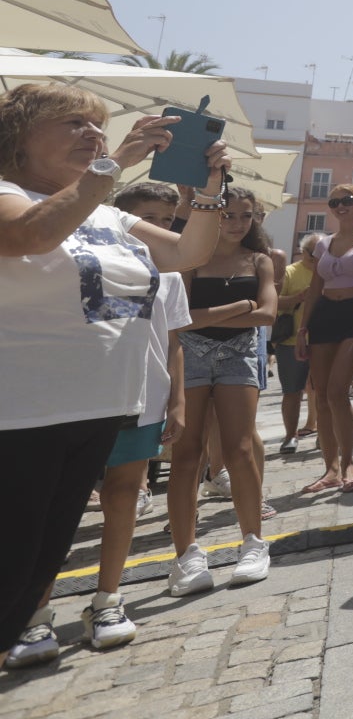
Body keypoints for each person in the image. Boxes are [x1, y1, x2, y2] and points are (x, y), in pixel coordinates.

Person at [0, 85, 229, 652]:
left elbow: (184, 254)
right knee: (11, 567)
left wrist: (207, 192)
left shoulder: (104, 211)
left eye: (96, 125)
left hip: (97, 409)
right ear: (18, 139)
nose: (92, 134)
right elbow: (29, 234)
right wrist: (114, 163)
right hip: (20, 414)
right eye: (72, 123)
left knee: (32, 573)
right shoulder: (7, 192)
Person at [4, 182, 190, 666]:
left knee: (123, 494)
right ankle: (34, 614)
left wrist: (176, 400)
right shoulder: (58, 235)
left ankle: (107, 600)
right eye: (151, 216)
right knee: (46, 514)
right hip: (61, 398)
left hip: (135, 392)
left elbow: (173, 341)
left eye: (167, 219)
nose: (162, 228)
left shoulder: (160, 267)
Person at [166, 187, 279, 596]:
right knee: (187, 453)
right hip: (191, 355)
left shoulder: (260, 260)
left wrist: (210, 317)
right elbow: (178, 319)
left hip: (240, 354)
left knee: (241, 448)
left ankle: (253, 543)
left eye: (245, 216)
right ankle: (187, 556)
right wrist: (237, 308)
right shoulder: (191, 259)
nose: (236, 223)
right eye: (228, 215)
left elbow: (268, 313)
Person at [298, 183, 353, 495]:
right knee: (321, 394)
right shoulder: (324, 243)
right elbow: (314, 291)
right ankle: (331, 469)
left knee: (336, 390)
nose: (340, 206)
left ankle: (349, 463)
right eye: (334, 202)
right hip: (324, 316)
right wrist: (302, 330)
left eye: (347, 200)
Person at [272, 234, 320, 455]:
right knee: (292, 392)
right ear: (303, 252)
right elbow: (272, 301)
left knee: (325, 391)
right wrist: (297, 298)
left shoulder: (328, 272)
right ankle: (290, 436)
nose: (318, 257)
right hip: (291, 341)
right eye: (314, 253)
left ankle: (325, 434)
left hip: (322, 341)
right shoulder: (290, 272)